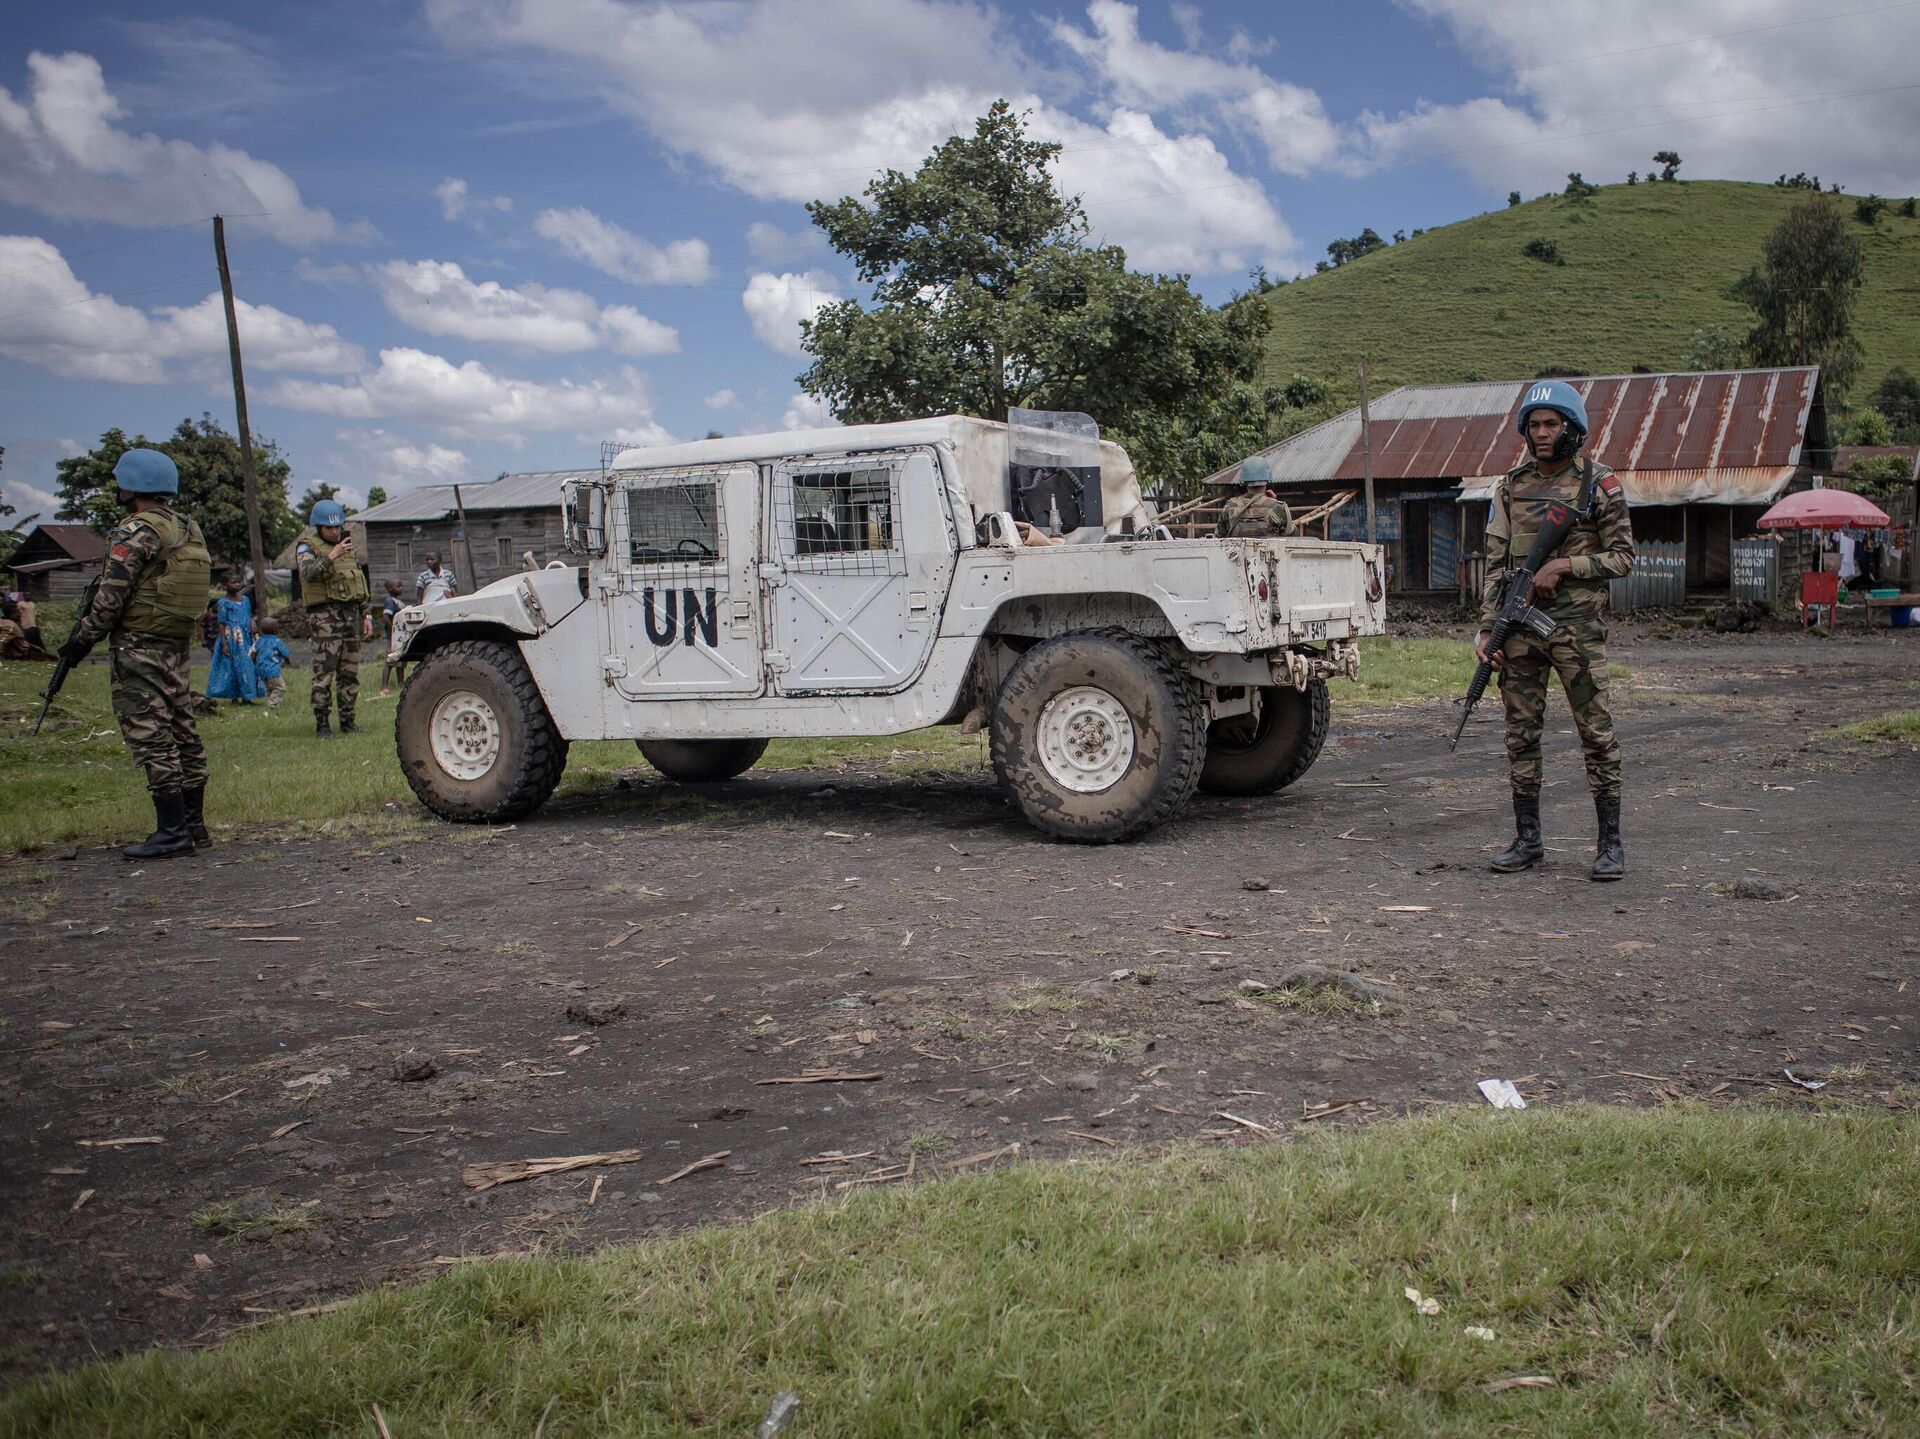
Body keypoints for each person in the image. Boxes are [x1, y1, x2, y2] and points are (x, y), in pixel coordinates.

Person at [1476, 380, 1636, 882]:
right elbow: (1497, 564)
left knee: (1596, 733)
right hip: (1519, 628)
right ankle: (1528, 841)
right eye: (1534, 425)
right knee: (1520, 734)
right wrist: (1488, 630)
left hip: (1576, 632)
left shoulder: (1598, 483)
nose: (1542, 434)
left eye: (1551, 424)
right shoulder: (1511, 485)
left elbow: (1624, 557)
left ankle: (1610, 845)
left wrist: (1565, 565)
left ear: (1572, 428)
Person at [60, 448, 213, 859]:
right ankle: (194, 827)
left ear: (131, 487)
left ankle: (172, 832)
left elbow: (111, 597)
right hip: (175, 644)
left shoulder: (137, 532)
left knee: (151, 732)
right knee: (183, 728)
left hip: (139, 645)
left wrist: (82, 640)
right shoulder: (187, 530)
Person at [295, 499, 371, 739]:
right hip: (325, 619)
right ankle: (322, 725)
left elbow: (357, 582)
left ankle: (348, 722)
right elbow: (308, 574)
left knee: (349, 672)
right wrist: (331, 555)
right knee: (324, 673)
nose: (335, 532)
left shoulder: (348, 549)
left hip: (350, 616)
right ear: (318, 527)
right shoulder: (306, 548)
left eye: (338, 527)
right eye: (330, 528)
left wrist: (365, 613)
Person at [204, 573, 264, 704]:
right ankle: (234, 697)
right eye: (233, 582)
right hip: (231, 639)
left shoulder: (246, 600)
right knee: (232, 667)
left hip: (246, 638)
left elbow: (249, 616)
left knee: (247, 665)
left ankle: (248, 696)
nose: (237, 585)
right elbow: (222, 623)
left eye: (239, 582)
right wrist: (224, 644)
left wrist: (253, 624)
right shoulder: (223, 603)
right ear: (225, 585)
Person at [1214, 456, 1296, 538]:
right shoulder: (1278, 507)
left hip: (1236, 551)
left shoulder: (1230, 507)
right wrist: (1273, 501)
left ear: (1243, 481)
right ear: (1268, 480)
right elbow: (1293, 535)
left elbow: (1218, 537)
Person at [251, 616, 292, 709]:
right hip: (272, 669)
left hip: (260, 669)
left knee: (269, 687)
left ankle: (270, 700)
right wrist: (288, 662)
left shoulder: (259, 640)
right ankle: (272, 704)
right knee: (280, 687)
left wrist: (255, 662)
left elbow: (252, 653)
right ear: (275, 630)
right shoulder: (277, 641)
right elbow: (285, 653)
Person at [379, 579, 408, 695]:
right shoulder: (390, 601)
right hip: (392, 637)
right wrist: (393, 629)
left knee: (400, 660)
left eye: (401, 585)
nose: (401, 587)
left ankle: (401, 683)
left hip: (401, 636)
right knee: (390, 660)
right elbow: (386, 616)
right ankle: (384, 686)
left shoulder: (399, 602)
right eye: (398, 586)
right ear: (390, 589)